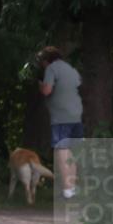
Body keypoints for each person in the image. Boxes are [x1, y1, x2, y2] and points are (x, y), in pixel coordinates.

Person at [37, 46, 83, 198]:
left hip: (61, 117)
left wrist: (41, 85)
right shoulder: (71, 69)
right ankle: (73, 187)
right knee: (71, 151)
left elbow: (47, 91)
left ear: (46, 60)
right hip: (76, 116)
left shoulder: (51, 69)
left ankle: (67, 190)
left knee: (62, 150)